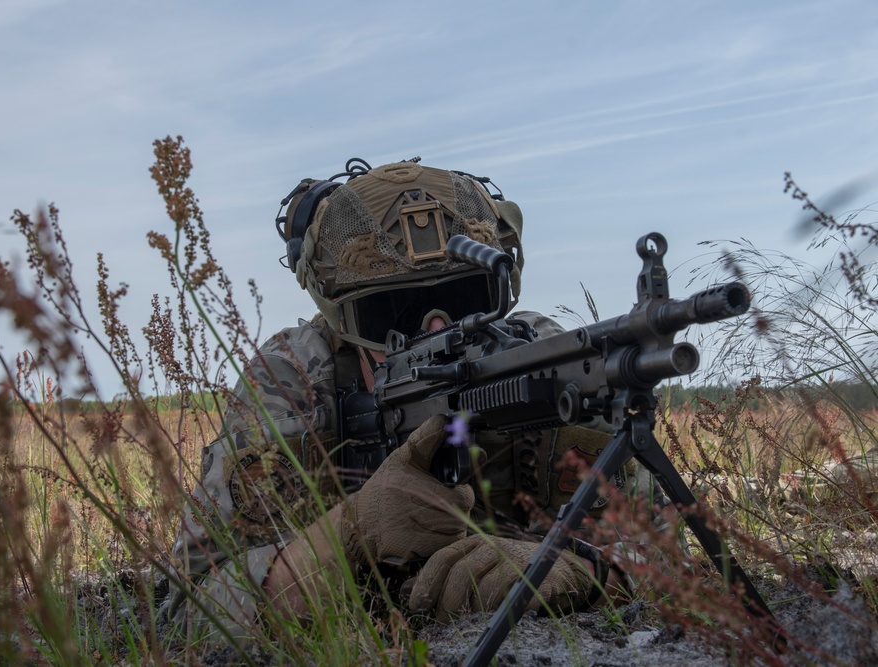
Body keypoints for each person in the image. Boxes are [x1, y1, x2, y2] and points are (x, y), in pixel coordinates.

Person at [165, 158, 654, 643]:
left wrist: (581, 577)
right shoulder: (292, 386)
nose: (439, 331)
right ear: (341, 321)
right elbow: (182, 608)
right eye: (391, 311)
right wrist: (346, 538)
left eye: (467, 300)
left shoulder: (553, 364)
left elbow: (662, 567)